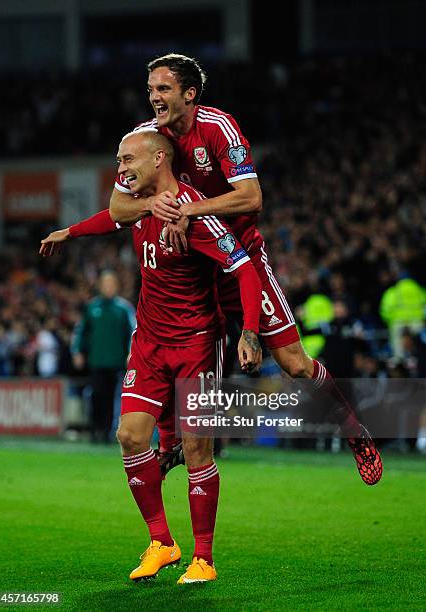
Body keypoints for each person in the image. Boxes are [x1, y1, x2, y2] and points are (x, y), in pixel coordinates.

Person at [107, 53, 382, 486]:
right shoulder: (145, 141)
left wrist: (188, 210)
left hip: (239, 259)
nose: (154, 97)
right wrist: (153, 205)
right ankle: (171, 444)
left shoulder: (218, 129)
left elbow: (251, 198)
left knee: (294, 364)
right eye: (150, 90)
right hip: (191, 270)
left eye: (163, 89)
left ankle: (354, 428)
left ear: (189, 94)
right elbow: (118, 207)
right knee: (171, 352)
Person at [40, 129, 263, 584]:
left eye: (126, 160)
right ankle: (162, 542)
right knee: (128, 435)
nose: (120, 170)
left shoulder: (194, 213)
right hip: (149, 343)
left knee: (197, 447)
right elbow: (111, 217)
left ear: (159, 157)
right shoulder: (140, 204)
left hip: (197, 344)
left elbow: (244, 268)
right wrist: (72, 231)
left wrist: (251, 334)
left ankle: (204, 558)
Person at [71, 270, 135, 442]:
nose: (108, 287)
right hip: (96, 360)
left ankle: (107, 432)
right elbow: (80, 331)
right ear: (100, 286)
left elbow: (134, 332)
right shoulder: (92, 307)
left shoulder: (124, 308)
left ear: (116, 286)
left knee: (112, 398)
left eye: (111, 284)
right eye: (105, 284)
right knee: (95, 396)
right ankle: (95, 429)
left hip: (116, 362)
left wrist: (131, 352)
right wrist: (77, 351)